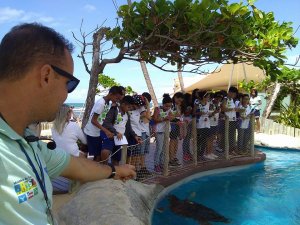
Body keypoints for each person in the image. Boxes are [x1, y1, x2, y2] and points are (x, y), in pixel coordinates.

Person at [0, 23, 136, 225]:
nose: (66, 95)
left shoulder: (27, 141)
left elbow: (77, 165)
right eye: (69, 84)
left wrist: (115, 171)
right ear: (46, 76)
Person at [83, 86, 123, 161]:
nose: (117, 101)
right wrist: (106, 131)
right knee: (96, 156)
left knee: (98, 155)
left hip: (97, 132)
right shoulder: (101, 103)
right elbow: (93, 120)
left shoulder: (108, 103)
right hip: (92, 132)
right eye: (116, 98)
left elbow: (102, 119)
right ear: (111, 94)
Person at [101, 95, 141, 165]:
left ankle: (115, 174)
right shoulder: (114, 110)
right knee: (106, 151)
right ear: (123, 104)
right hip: (111, 136)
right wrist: (116, 132)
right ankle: (104, 168)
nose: (130, 109)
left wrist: (135, 136)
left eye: (131, 107)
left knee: (116, 159)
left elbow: (129, 128)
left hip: (120, 139)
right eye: (128, 107)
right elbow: (107, 123)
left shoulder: (127, 114)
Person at [152, 94, 173, 173]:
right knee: (159, 148)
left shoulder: (169, 110)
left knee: (164, 148)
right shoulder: (158, 109)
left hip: (166, 131)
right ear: (163, 104)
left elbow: (173, 117)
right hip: (159, 131)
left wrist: (171, 117)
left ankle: (161, 163)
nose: (168, 108)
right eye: (167, 106)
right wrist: (164, 119)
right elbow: (155, 119)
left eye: (169, 106)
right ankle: (156, 165)